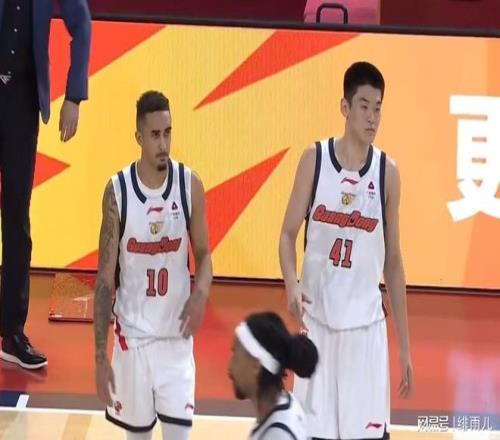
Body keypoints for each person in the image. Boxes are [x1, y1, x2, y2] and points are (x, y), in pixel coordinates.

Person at [279, 61, 413, 439]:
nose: (372, 117)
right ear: (345, 107)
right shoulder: (314, 160)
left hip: (366, 333)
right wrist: (291, 284)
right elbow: (287, 235)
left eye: (378, 108)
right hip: (318, 326)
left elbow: (394, 262)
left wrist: (404, 346)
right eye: (364, 106)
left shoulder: (387, 173)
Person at [93, 91, 213, 440]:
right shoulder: (117, 192)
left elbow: (204, 255)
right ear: (139, 137)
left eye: (168, 133)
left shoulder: (190, 185)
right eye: (155, 135)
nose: (163, 144)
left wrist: (201, 293)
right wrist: (100, 356)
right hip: (133, 341)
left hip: (176, 340)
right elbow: (104, 282)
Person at [0, 0, 91, 370]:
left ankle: (11, 332)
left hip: (22, 103)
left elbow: (81, 24)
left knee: (16, 217)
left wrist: (74, 96)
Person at [228, 312, 318, 440]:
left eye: (235, 356)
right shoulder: (285, 405)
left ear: (256, 366)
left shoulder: (278, 435)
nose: (230, 368)